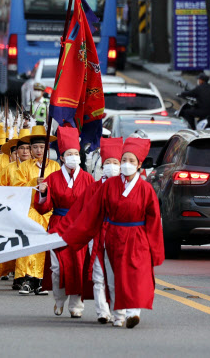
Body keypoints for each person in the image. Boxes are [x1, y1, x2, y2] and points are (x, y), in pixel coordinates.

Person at [61, 137, 164, 329]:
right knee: (114, 277)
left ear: (140, 164)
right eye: (124, 160)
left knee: (135, 275)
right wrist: (72, 235)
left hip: (137, 237)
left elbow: (154, 221)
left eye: (131, 161)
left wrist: (154, 249)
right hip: (113, 235)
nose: (126, 164)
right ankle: (118, 316)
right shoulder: (109, 185)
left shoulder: (146, 189)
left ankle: (133, 312)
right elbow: (92, 213)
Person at [34, 126, 93, 318]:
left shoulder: (87, 178)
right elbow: (43, 207)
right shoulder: (52, 178)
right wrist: (43, 192)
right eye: (69, 154)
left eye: (76, 153)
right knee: (57, 267)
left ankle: (76, 306)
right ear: (62, 157)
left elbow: (93, 205)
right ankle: (59, 300)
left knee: (78, 266)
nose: (74, 157)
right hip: (58, 224)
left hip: (79, 226)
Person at [75, 137, 123, 324]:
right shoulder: (93, 188)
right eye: (108, 163)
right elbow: (82, 214)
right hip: (96, 235)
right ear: (102, 166)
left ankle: (116, 310)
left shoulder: (127, 188)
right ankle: (102, 311)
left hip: (118, 235)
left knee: (116, 276)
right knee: (98, 276)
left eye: (115, 163)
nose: (112, 166)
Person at [9, 127, 50, 295]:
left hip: (48, 212)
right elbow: (17, 187)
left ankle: (40, 280)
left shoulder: (54, 166)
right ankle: (27, 278)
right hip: (30, 210)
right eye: (35, 147)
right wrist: (34, 181)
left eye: (42, 147)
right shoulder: (24, 167)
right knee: (28, 245)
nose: (38, 150)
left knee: (44, 247)